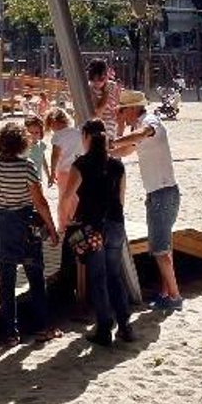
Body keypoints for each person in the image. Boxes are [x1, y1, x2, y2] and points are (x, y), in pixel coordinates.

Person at [0, 122, 60, 343]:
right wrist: (51, 228)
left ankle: (10, 334)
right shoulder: (27, 166)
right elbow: (39, 201)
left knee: (7, 282)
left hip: (1, 226)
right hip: (25, 226)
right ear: (22, 143)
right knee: (35, 278)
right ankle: (43, 328)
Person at [114, 92, 184, 311]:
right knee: (164, 246)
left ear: (132, 109)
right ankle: (166, 291)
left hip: (161, 194)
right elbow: (122, 152)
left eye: (122, 110)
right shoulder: (140, 130)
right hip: (162, 193)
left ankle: (174, 296)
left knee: (160, 249)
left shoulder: (149, 122)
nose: (120, 114)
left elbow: (140, 135)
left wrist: (113, 140)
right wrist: (114, 136)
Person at [67, 119, 132, 346]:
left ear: (85, 136)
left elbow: (67, 196)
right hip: (115, 223)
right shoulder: (117, 165)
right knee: (115, 275)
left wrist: (68, 221)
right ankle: (124, 325)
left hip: (93, 227)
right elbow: (121, 198)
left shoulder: (81, 165)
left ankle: (104, 328)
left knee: (98, 277)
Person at [47, 106, 80, 231]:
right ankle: (77, 218)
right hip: (78, 171)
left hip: (64, 171)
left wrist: (51, 172)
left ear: (54, 122)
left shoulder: (58, 136)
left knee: (64, 198)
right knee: (76, 196)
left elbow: (55, 155)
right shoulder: (77, 132)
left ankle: (63, 224)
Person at [88, 59, 119, 135]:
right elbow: (98, 112)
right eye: (93, 80)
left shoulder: (113, 86)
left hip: (110, 124)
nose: (97, 83)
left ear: (106, 76)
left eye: (100, 79)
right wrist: (106, 92)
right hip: (96, 124)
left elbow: (117, 107)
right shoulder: (90, 88)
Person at [24, 114, 48, 184]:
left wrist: (49, 175)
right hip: (25, 179)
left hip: (37, 178)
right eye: (30, 132)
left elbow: (43, 160)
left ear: (41, 133)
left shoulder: (41, 145)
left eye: (36, 133)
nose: (33, 135)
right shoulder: (23, 146)